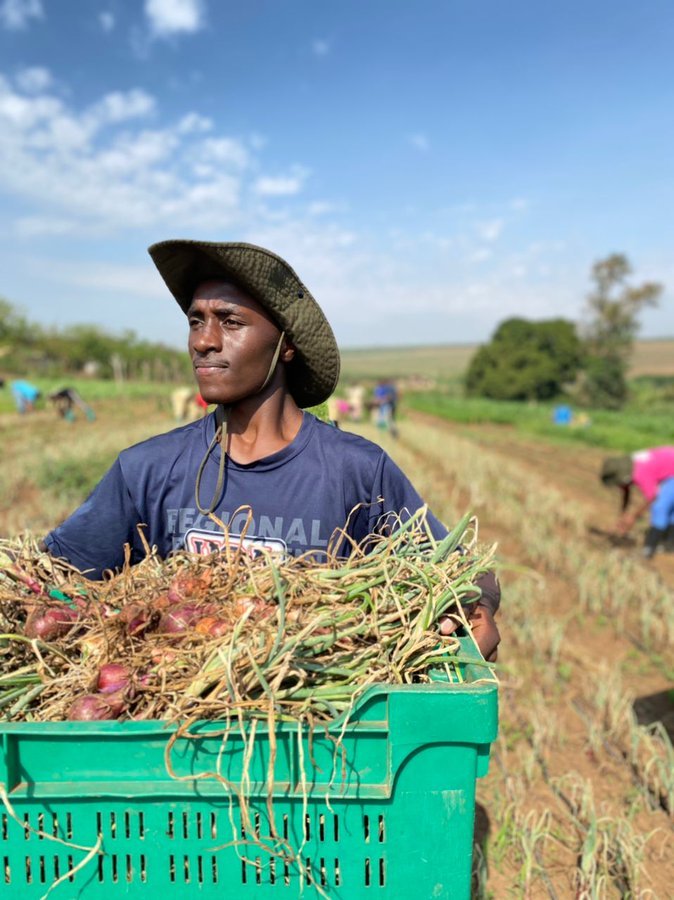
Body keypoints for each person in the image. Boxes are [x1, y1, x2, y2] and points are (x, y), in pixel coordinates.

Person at [42, 240, 500, 659]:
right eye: (196, 321)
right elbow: (54, 577)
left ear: (285, 346)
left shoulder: (356, 471)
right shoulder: (146, 469)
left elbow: (460, 572)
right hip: (176, 736)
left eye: (231, 321)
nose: (203, 341)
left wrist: (479, 609)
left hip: (313, 737)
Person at [600, 447, 674, 558]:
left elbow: (653, 496)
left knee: (660, 507)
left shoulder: (640, 473)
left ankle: (648, 550)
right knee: (670, 508)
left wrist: (633, 517)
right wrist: (623, 514)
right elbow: (626, 490)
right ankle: (669, 544)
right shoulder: (628, 465)